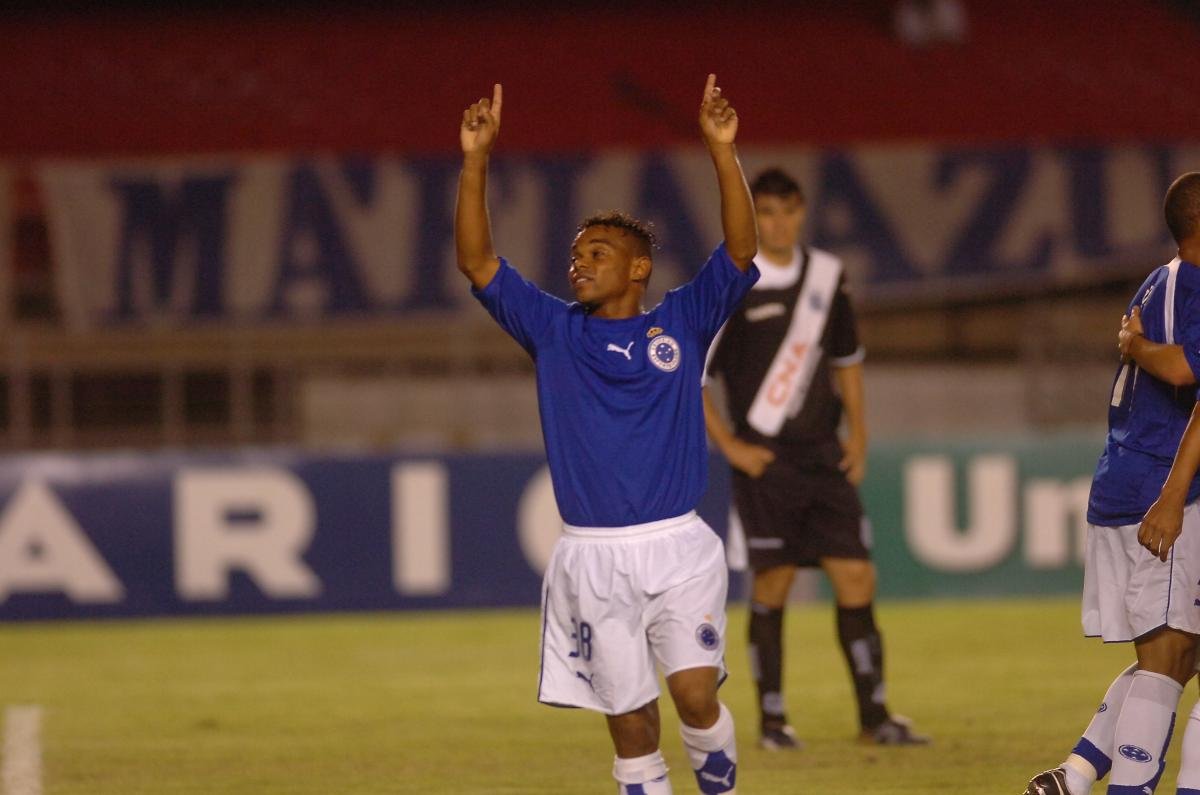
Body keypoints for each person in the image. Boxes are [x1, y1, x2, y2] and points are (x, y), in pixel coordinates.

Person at [455, 75, 758, 795]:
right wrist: (475, 160)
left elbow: (742, 255)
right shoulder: (553, 330)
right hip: (592, 560)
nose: (579, 262)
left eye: (596, 253)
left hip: (677, 547)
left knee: (692, 695)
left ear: (638, 268)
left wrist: (722, 150)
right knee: (631, 724)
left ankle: (718, 773)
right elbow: (477, 262)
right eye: (576, 253)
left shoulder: (681, 322)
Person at [701, 167, 927, 750]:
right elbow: (694, 378)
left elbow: (846, 360)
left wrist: (859, 434)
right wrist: (730, 447)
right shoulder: (734, 284)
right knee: (772, 582)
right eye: (767, 213)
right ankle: (774, 721)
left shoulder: (828, 277)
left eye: (787, 211)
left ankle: (875, 716)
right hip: (766, 460)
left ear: (802, 213)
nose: (778, 223)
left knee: (856, 574)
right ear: (756, 219)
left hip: (824, 455)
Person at [1024, 172, 1200, 795]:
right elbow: (1187, 370)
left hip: (1134, 482)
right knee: (1168, 658)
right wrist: (1174, 498)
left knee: (1179, 652)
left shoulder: (1159, 282)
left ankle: (1073, 778)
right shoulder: (1190, 283)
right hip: (1162, 489)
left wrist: (1136, 344)